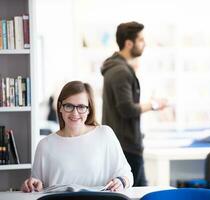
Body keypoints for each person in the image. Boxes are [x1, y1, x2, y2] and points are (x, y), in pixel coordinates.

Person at [21, 81, 133, 192]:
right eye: (69, 106)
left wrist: (121, 181)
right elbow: (36, 185)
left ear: (89, 109)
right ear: (60, 107)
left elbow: (127, 175)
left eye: (81, 107)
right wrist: (32, 185)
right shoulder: (44, 145)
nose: (75, 113)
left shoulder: (105, 134)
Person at [101, 21, 167, 186]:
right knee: (137, 193)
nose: (144, 44)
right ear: (129, 43)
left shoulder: (119, 68)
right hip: (126, 146)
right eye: (141, 40)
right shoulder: (120, 71)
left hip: (123, 144)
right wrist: (154, 104)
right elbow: (127, 109)